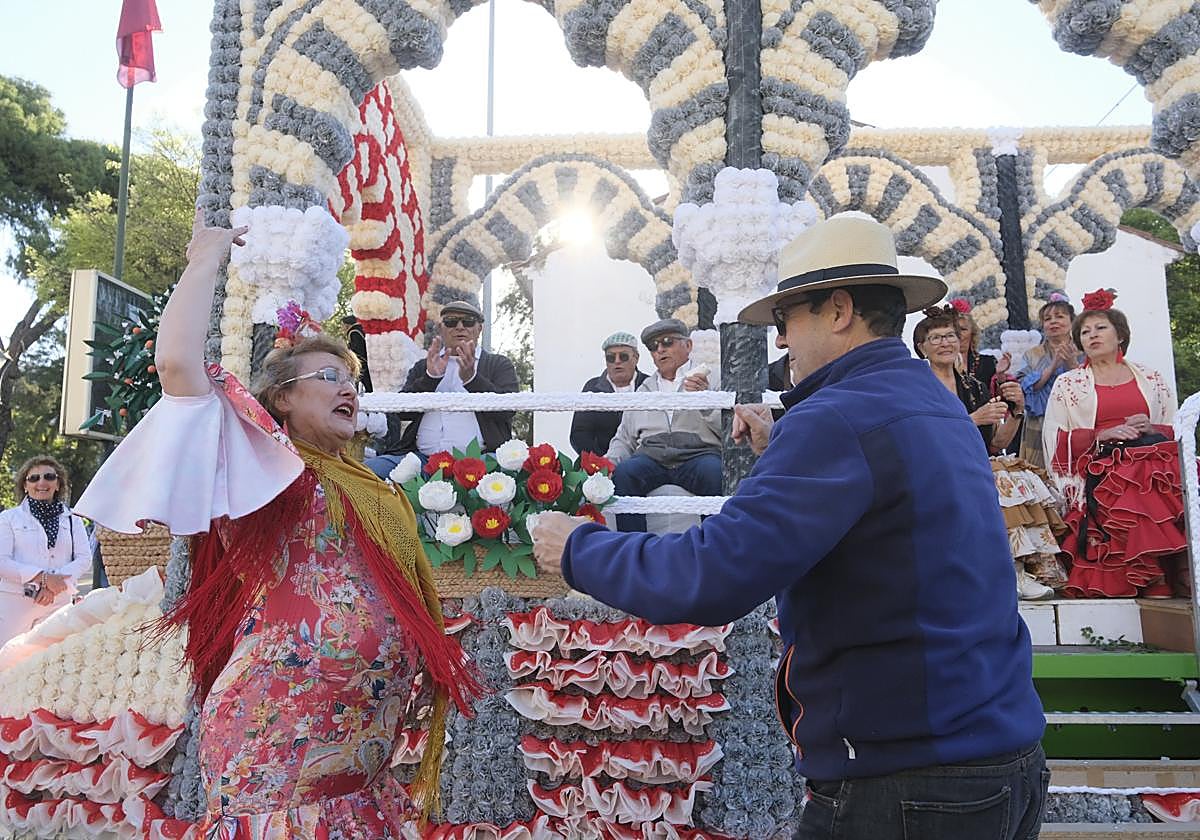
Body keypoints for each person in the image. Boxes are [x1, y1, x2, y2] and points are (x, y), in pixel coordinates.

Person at [532, 216, 1048, 840]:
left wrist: (577, 547)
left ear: (839, 310)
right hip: (999, 756)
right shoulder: (928, 398)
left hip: (908, 777)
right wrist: (785, 448)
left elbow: (712, 573)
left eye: (785, 320)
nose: (781, 341)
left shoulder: (835, 419)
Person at [76, 211, 481, 838]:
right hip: (276, 755)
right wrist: (205, 258)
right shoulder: (261, 466)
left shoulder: (369, 484)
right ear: (283, 398)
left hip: (359, 763)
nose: (348, 389)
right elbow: (178, 367)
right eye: (329, 377)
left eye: (352, 379)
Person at [1043, 289, 1187, 599]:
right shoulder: (1068, 383)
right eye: (1085, 332)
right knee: (1132, 476)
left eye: (1100, 328)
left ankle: (1175, 565)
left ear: (1120, 335)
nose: (1092, 335)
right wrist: (1099, 435)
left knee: (1169, 470)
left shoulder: (1151, 378)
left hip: (1152, 455)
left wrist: (1152, 427)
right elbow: (1054, 437)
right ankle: (1153, 573)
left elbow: (1177, 430)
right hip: (1100, 461)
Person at [914, 307, 1064, 601]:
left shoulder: (974, 386)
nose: (945, 343)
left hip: (977, 462)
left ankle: (1021, 570)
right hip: (935, 464)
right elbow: (921, 435)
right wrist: (973, 419)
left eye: (950, 336)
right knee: (1000, 480)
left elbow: (996, 443)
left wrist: (1017, 411)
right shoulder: (916, 388)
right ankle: (1013, 574)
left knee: (1019, 476)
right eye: (936, 338)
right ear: (922, 348)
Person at [367, 299, 519, 479]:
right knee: (364, 472)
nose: (460, 327)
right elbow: (403, 413)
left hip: (481, 462)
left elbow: (508, 410)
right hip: (421, 461)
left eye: (468, 321)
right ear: (441, 328)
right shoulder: (425, 366)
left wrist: (472, 379)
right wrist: (430, 378)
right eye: (451, 322)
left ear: (479, 329)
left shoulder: (498, 364)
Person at [606, 318, 722, 532]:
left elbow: (729, 430)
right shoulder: (644, 390)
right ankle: (632, 547)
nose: (660, 349)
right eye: (653, 346)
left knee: (714, 471)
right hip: (652, 458)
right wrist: (607, 464)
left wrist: (705, 401)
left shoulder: (713, 379)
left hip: (699, 454)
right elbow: (624, 438)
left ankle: (717, 545)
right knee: (624, 474)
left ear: (688, 345)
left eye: (667, 342)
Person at [0, 456, 91, 648]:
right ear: (25, 485)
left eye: (49, 477)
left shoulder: (73, 519)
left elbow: (84, 558)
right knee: (7, 658)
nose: (42, 482)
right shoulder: (8, 518)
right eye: (34, 478)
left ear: (58, 484)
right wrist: (43, 578)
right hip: (16, 602)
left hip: (58, 601)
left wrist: (54, 584)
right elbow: (2, 561)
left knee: (50, 659)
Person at [1017, 294, 1084, 468]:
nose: (1053, 322)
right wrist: (1053, 365)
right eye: (1047, 319)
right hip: (1040, 422)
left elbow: (1087, 385)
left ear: (1072, 321)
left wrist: (1071, 362)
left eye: (1059, 316)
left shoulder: (1083, 350)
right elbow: (1027, 387)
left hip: (1075, 419)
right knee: (1039, 471)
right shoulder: (1032, 354)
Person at [569, 331, 648, 457]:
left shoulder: (648, 386)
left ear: (636, 358)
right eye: (611, 357)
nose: (617, 361)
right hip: (601, 462)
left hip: (642, 462)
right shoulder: (592, 388)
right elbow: (579, 434)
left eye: (623, 356)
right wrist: (601, 461)